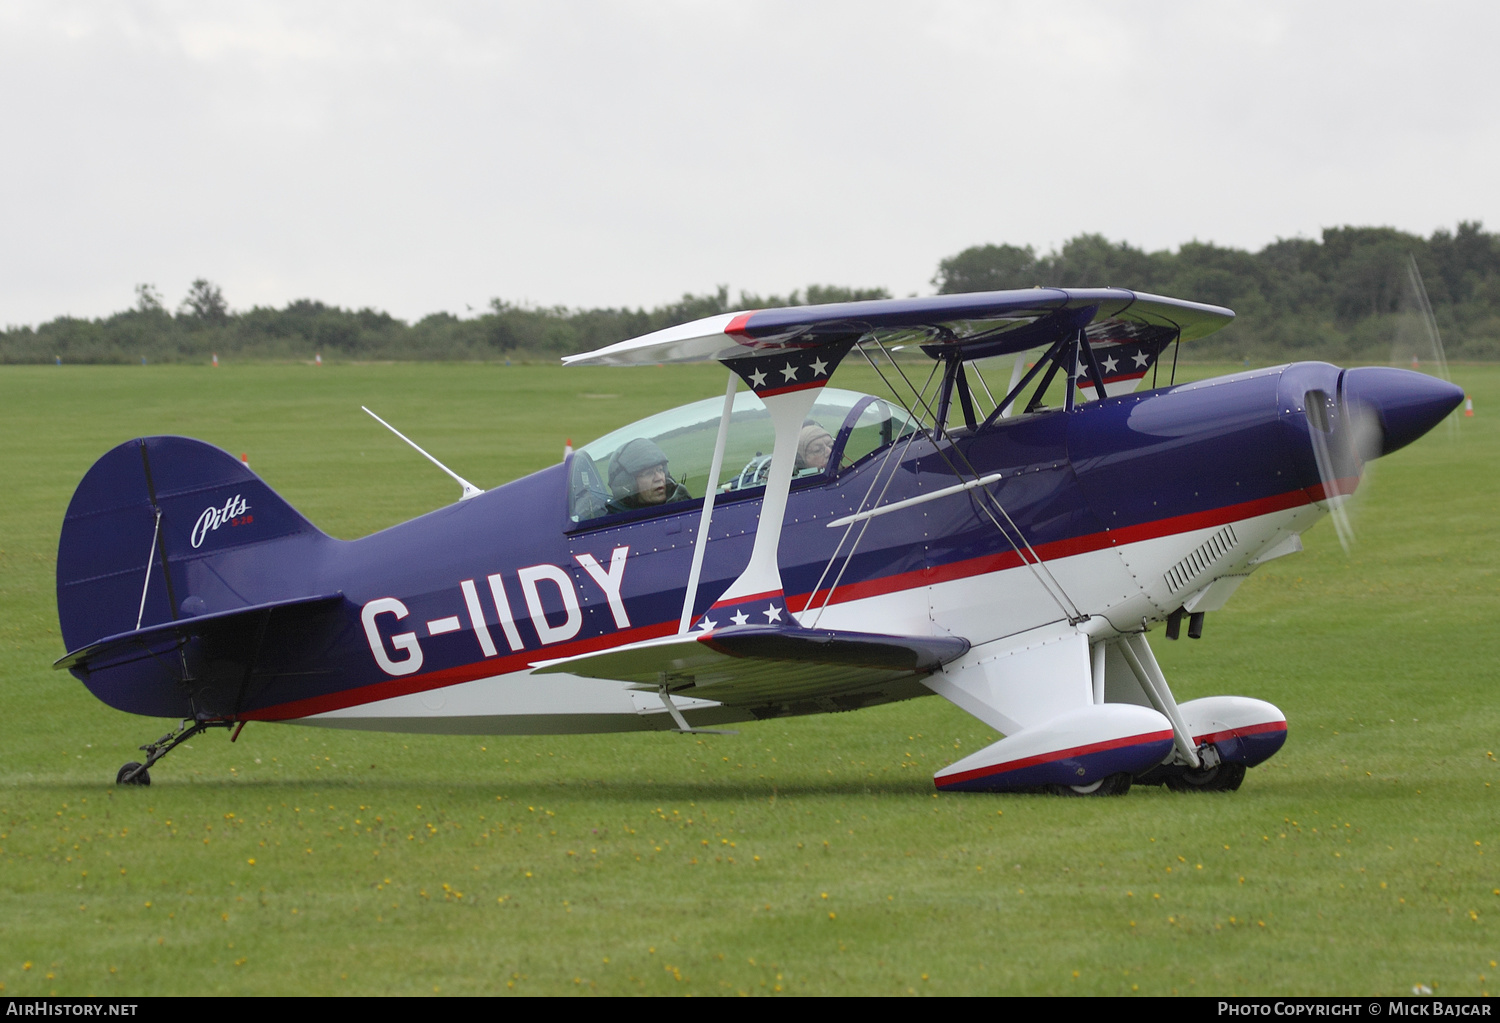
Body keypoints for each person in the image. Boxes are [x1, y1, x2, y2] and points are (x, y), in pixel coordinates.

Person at [606, 437, 689, 512]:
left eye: (660, 470)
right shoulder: (612, 524)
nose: (659, 478)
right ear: (626, 484)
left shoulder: (683, 506)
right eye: (648, 473)